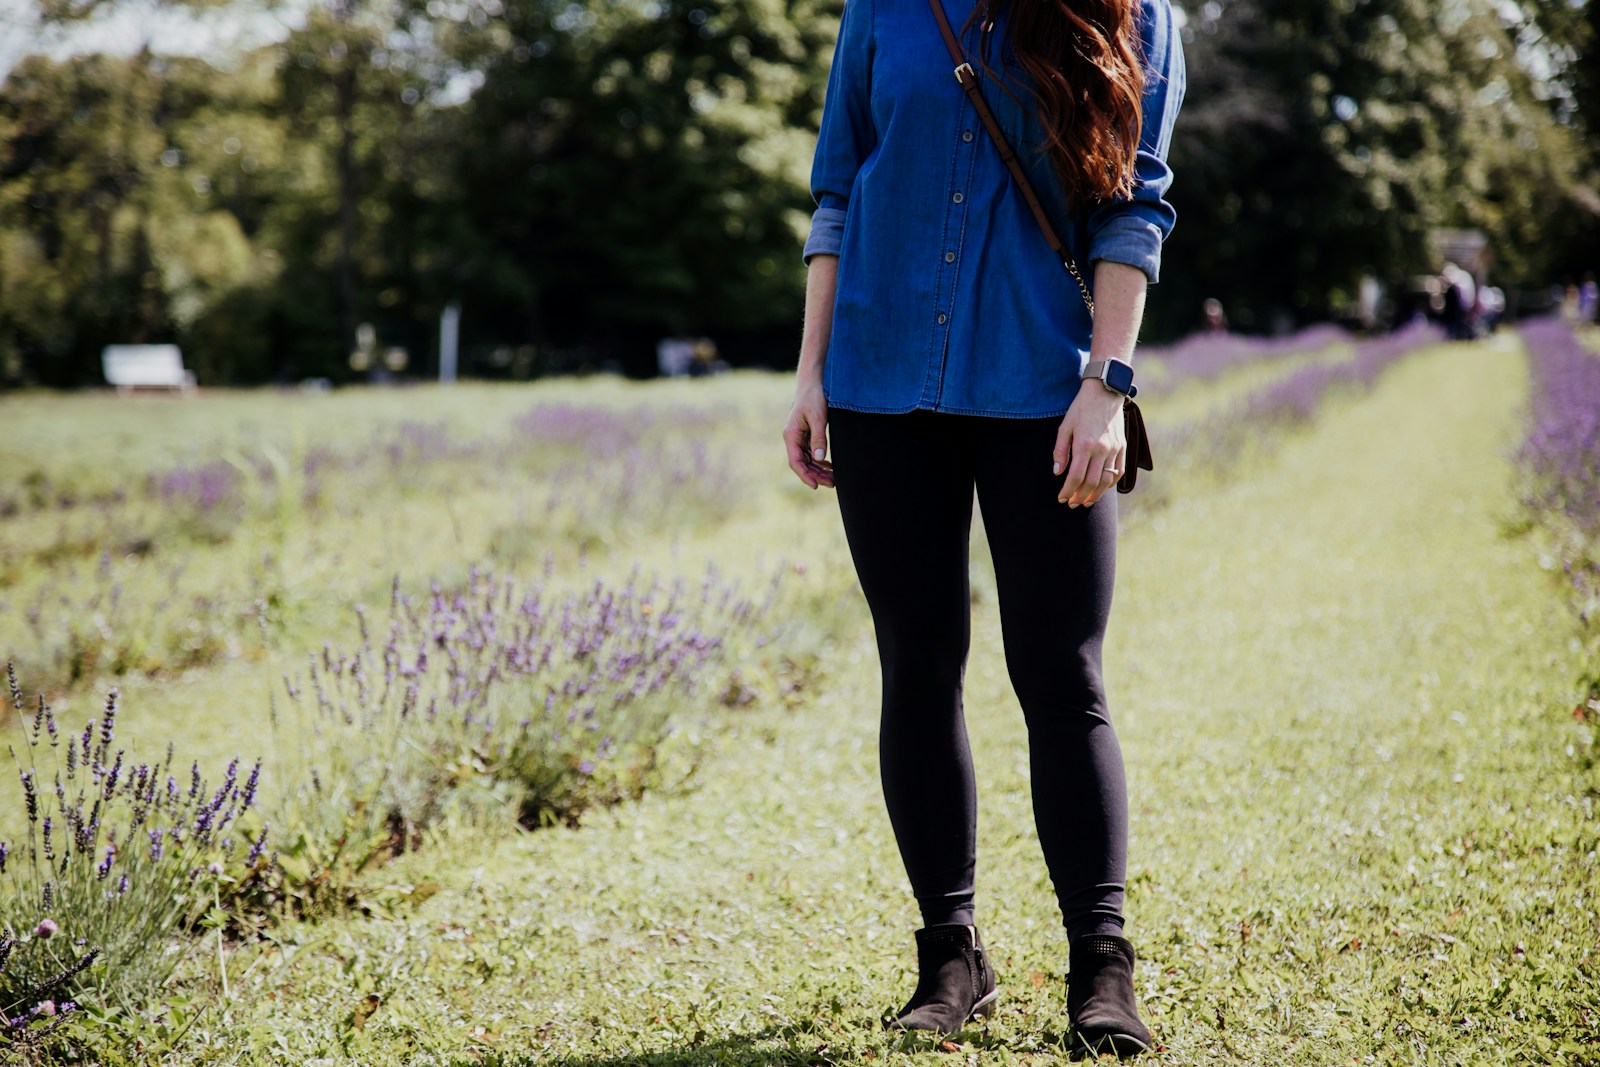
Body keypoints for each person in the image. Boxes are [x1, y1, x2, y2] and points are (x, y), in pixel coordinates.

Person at [782, 0, 1184, 1058]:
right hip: (879, 381)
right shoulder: (883, 8)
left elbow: (1134, 207)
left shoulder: (1132, 14)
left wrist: (1107, 383)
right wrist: (811, 374)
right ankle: (950, 956)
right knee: (916, 665)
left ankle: (1101, 968)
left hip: (1044, 390)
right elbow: (838, 191)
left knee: (1062, 675)